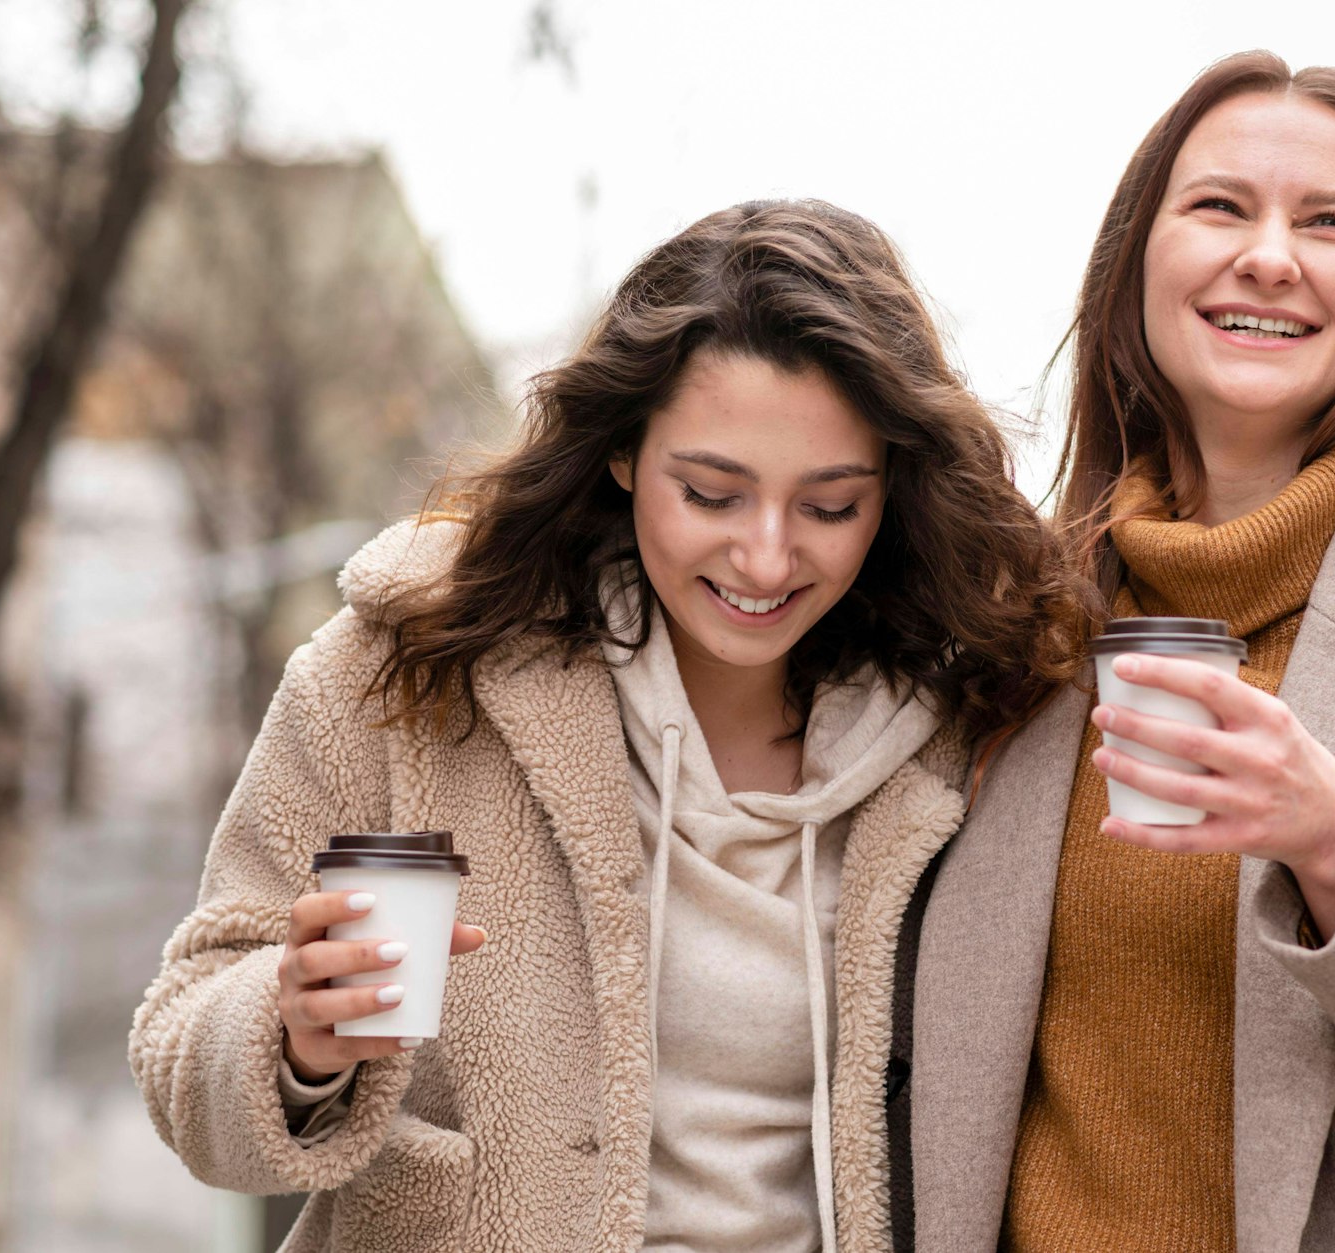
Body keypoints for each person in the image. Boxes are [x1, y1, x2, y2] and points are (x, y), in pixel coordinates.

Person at [129, 199, 1089, 1252]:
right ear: (624, 453)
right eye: (711, 493)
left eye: (827, 507)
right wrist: (295, 1031)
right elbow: (186, 1047)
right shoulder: (407, 663)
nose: (765, 558)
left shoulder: (974, 726)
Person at [900, 50, 1335, 1251]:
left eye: (1328, 223)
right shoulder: (1018, 621)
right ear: (1136, 268)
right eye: (1219, 205)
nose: (1268, 254)